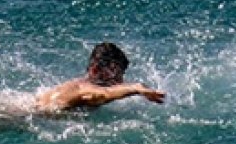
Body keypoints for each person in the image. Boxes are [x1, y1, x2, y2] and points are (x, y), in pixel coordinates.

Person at [35, 42, 166, 112]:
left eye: (122, 75)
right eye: (116, 75)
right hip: (20, 117)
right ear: (95, 70)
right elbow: (102, 94)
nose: (120, 81)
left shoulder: (82, 83)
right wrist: (136, 88)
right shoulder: (84, 87)